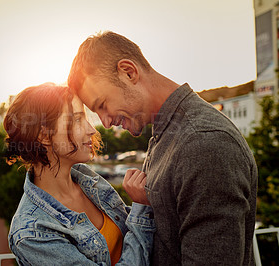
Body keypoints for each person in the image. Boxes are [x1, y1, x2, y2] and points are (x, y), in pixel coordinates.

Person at [68, 31, 258, 265]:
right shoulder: (167, 132)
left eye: (103, 105)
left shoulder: (204, 143)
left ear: (129, 72)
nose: (105, 122)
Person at [3, 82, 155, 265]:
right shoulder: (32, 232)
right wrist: (141, 210)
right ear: (43, 136)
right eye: (76, 119)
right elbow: (137, 228)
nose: (92, 130)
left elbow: (124, 234)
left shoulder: (88, 181)